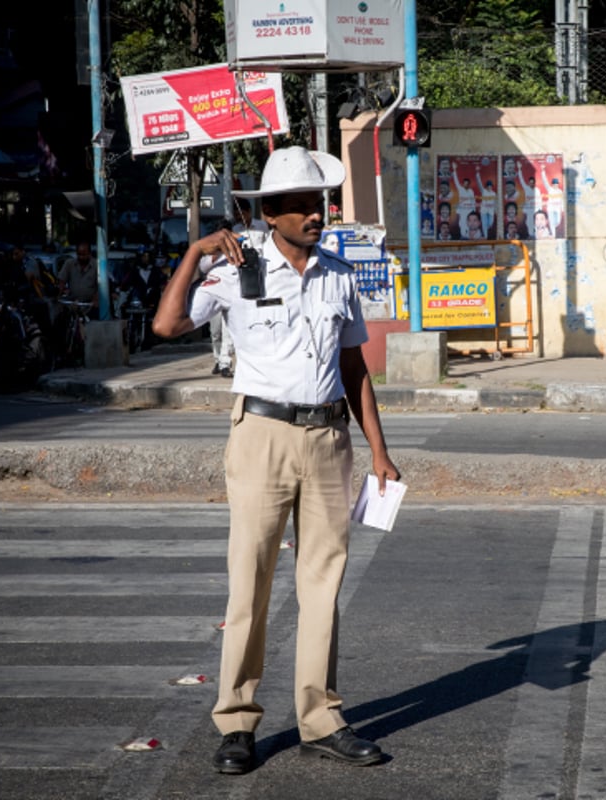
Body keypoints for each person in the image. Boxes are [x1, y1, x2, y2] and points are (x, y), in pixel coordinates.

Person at [152, 145, 400, 776]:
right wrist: (193, 253)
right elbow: (167, 325)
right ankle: (236, 722)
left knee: (323, 583)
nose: (314, 214)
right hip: (260, 434)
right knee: (251, 581)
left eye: (317, 203)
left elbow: (353, 368)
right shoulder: (237, 269)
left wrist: (379, 451)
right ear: (271, 215)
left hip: (328, 440)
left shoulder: (340, 275)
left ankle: (320, 719)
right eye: (300, 206)